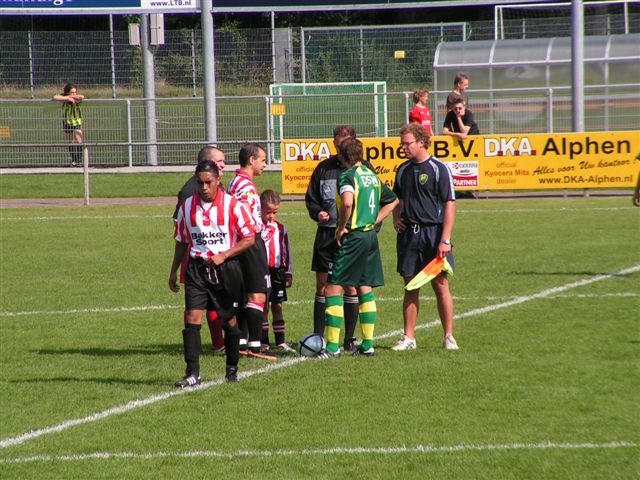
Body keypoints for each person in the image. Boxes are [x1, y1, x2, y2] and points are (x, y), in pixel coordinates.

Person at [169, 160, 257, 386]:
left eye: (208, 182)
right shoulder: (187, 206)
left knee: (229, 321)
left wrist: (225, 254)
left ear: (218, 180)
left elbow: (249, 238)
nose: (204, 187)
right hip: (197, 268)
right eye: (200, 183)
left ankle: (231, 369)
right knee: (191, 317)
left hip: (225, 269)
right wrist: (173, 271)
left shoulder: (233, 205)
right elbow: (181, 241)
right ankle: (192, 373)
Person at [319, 137, 398, 358]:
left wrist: (341, 228)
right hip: (370, 236)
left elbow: (346, 202)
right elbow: (392, 201)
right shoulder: (371, 175)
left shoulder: (347, 175)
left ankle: (333, 347)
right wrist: (374, 221)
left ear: (343, 157)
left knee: (332, 287)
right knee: (364, 287)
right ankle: (368, 345)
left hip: (354, 236)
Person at [305, 125, 374, 352]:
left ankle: (348, 338)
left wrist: (369, 227)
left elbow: (374, 202)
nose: (339, 146)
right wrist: (317, 212)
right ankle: (318, 337)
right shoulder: (323, 168)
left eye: (343, 143)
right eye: (336, 142)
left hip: (351, 236)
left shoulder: (363, 169)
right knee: (323, 286)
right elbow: (311, 198)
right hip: (327, 235)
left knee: (351, 287)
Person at [391, 123, 459, 352]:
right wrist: (396, 218)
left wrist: (445, 239)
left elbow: (449, 203)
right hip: (410, 235)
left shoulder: (439, 168)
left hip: (434, 235)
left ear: (421, 141)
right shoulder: (402, 170)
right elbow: (395, 199)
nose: (403, 148)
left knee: (440, 285)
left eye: (407, 143)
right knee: (410, 286)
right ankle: (409, 337)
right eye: (402, 144)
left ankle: (449, 336)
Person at [173, 146, 227, 354]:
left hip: (219, 256)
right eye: (219, 161)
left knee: (216, 301)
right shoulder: (190, 192)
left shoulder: (220, 186)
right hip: (197, 256)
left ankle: (221, 343)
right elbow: (180, 230)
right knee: (197, 303)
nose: (223, 164)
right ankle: (213, 344)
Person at [228, 143, 275, 359]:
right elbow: (243, 213)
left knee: (246, 292)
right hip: (249, 242)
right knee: (257, 293)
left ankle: (243, 342)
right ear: (251, 160)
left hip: (241, 242)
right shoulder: (246, 187)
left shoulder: (236, 181)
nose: (265, 164)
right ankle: (256, 347)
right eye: (263, 160)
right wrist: (253, 235)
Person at [259, 189, 295, 353]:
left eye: (274, 212)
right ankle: (263, 341)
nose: (271, 216)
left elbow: (287, 251)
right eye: (268, 212)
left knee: (278, 306)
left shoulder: (281, 229)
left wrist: (288, 272)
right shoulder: (258, 229)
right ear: (260, 209)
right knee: (263, 307)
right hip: (262, 271)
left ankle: (280, 341)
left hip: (278, 272)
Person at [52, 83, 85, 167]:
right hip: (67, 121)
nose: (74, 94)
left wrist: (72, 97)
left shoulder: (77, 98)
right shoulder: (65, 97)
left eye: (75, 92)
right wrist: (67, 98)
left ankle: (79, 160)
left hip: (77, 121)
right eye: (72, 92)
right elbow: (55, 97)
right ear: (67, 92)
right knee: (70, 141)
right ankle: (73, 160)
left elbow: (81, 97)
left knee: (79, 140)